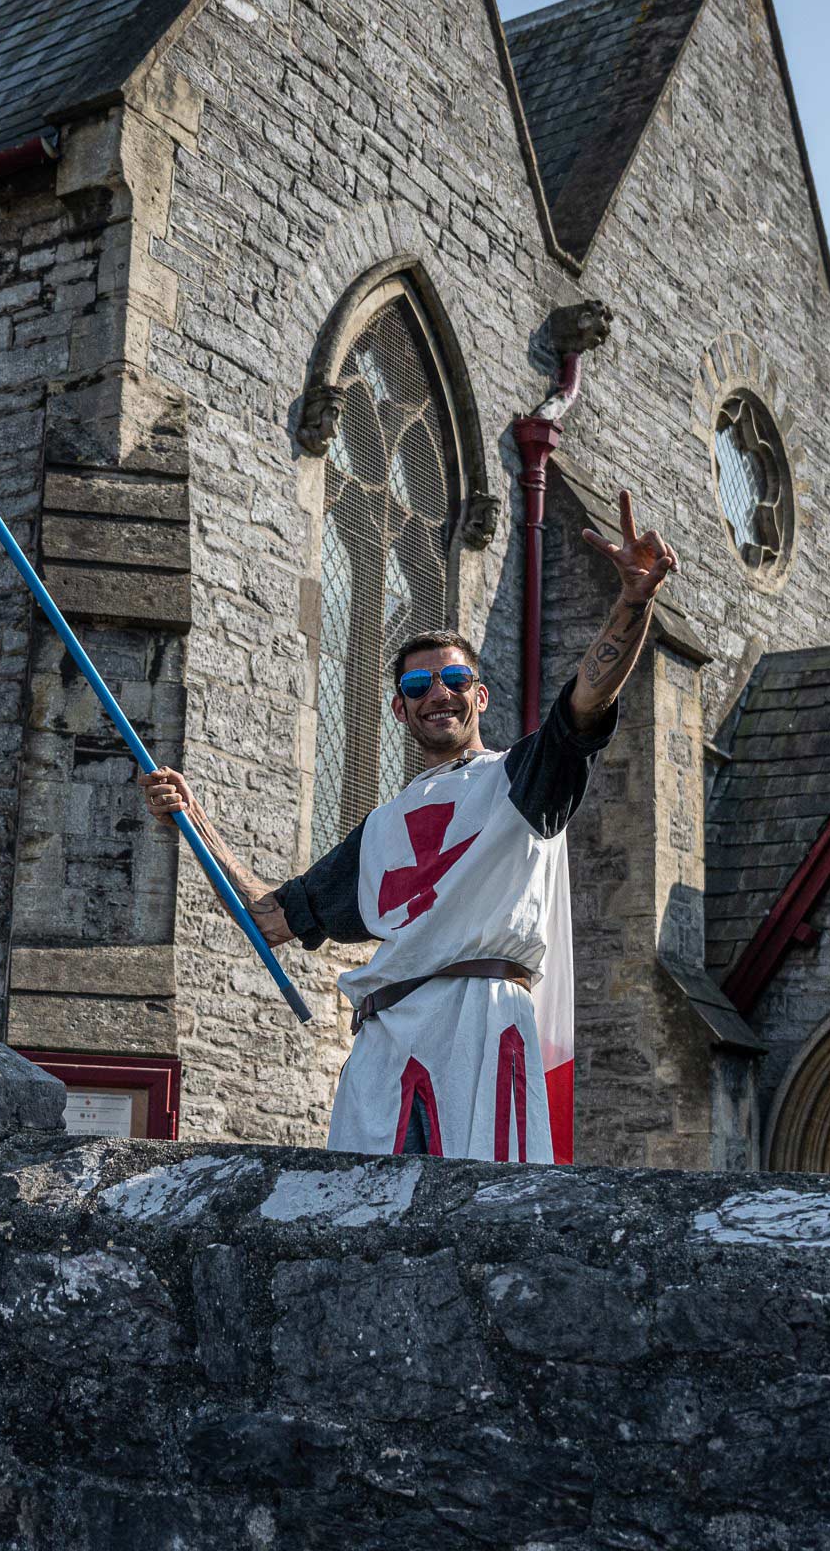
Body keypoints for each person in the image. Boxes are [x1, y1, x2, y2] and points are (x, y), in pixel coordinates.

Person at [139, 490, 677, 1161]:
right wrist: (193, 820)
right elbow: (270, 918)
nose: (438, 693)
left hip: (477, 1026)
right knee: (359, 1224)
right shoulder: (381, 829)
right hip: (386, 1039)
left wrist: (632, 603)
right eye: (419, 687)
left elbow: (587, 699)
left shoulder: (523, 779)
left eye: (454, 678)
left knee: (481, 1220)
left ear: (479, 695)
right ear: (400, 709)